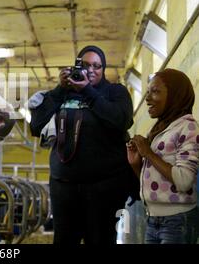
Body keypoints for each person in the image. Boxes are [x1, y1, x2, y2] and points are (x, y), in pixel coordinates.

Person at [29, 45, 138, 244]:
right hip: (64, 188)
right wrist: (60, 89)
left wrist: (87, 90)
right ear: (76, 65)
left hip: (106, 187)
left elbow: (121, 120)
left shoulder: (115, 92)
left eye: (97, 66)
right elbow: (35, 127)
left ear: (103, 70)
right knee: (64, 240)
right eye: (86, 65)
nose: (91, 70)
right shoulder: (63, 94)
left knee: (101, 239)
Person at [127, 69, 199, 244]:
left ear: (175, 95)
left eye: (156, 91)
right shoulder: (161, 129)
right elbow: (157, 184)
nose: (148, 98)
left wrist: (148, 153)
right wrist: (136, 164)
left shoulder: (188, 128)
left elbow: (184, 181)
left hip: (177, 220)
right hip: (153, 219)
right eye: (148, 92)